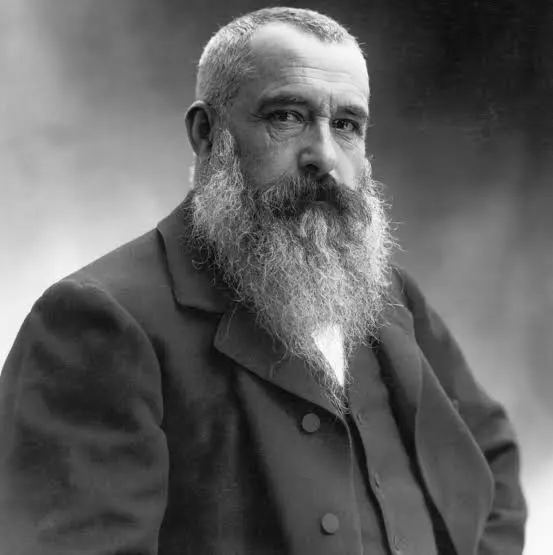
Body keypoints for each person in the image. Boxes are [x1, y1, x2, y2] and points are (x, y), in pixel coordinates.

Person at [0, 7, 526, 555]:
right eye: (287, 117)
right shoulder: (96, 322)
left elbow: (492, 461)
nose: (324, 156)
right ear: (207, 135)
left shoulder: (388, 296)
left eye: (347, 125)